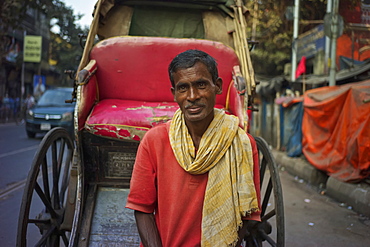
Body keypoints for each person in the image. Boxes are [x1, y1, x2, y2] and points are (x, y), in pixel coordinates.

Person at [126, 50, 261, 247]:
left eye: (201, 85)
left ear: (218, 86)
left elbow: (246, 217)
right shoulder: (154, 141)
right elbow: (142, 209)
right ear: (174, 94)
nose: (192, 96)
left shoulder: (242, 143)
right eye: (183, 88)